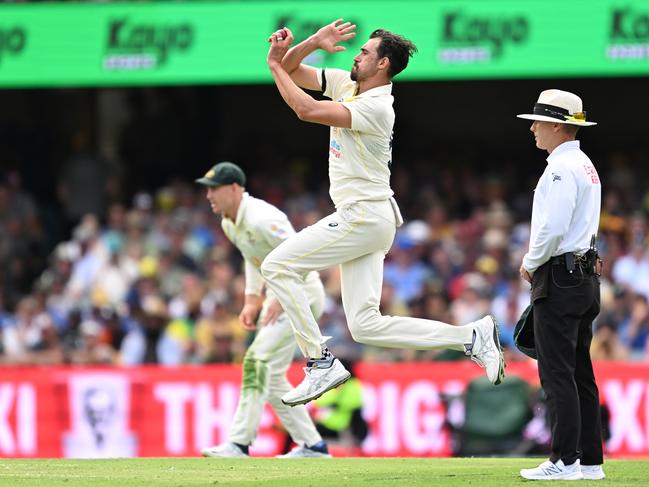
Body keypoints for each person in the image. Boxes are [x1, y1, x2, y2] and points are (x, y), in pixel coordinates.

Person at [263, 20, 505, 407]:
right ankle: (471, 337)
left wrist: (274, 66)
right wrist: (312, 43)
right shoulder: (349, 85)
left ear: (383, 64)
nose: (357, 55)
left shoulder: (378, 107)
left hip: (363, 215)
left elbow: (305, 109)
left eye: (365, 52)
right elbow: (293, 69)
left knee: (277, 266)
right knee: (365, 325)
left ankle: (319, 362)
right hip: (369, 218)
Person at [195, 162, 331, 458]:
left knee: (256, 359)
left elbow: (303, 259)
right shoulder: (229, 222)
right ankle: (313, 446)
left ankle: (239, 442)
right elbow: (252, 258)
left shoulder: (262, 219)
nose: (209, 197)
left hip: (302, 294)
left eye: (214, 189)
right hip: (282, 294)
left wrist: (279, 298)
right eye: (207, 190)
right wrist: (251, 298)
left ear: (234, 189)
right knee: (271, 376)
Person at [516, 90, 605, 481]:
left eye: (537, 121)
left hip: (561, 276)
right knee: (580, 374)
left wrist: (530, 262)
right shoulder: (584, 164)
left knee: (557, 374)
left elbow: (552, 228)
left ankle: (564, 460)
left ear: (557, 125)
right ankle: (590, 463)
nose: (533, 128)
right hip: (585, 275)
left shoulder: (559, 168)